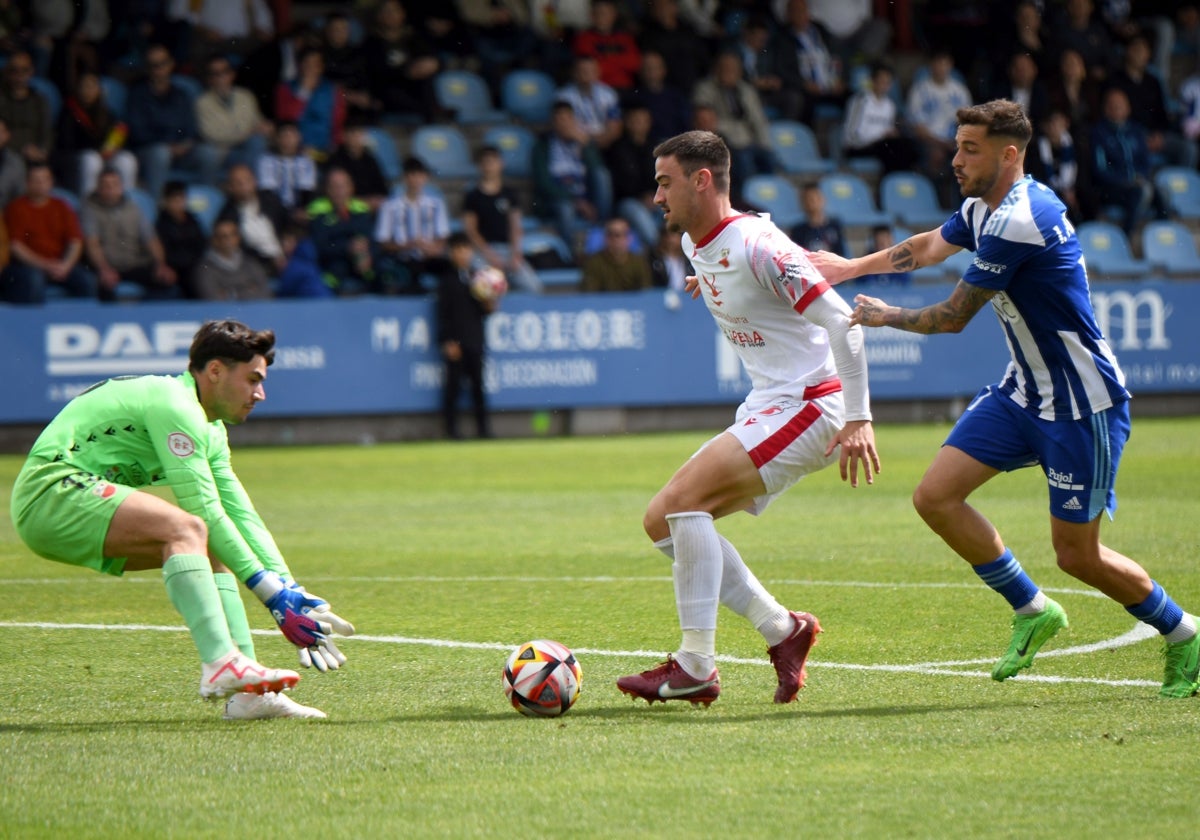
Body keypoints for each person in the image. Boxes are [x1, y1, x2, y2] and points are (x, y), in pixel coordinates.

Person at [808, 99, 1200, 699]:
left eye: (970, 149)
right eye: (957, 145)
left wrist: (886, 316)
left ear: (1009, 154)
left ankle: (1183, 634)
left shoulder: (1023, 217)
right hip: (1023, 393)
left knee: (1077, 556)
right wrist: (848, 268)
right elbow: (929, 245)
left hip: (1081, 405)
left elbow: (951, 317)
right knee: (935, 496)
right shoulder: (981, 206)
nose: (955, 159)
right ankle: (1032, 609)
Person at [615, 130, 878, 706]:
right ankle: (784, 630)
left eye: (664, 182)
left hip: (814, 402)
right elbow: (727, 272)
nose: (656, 197)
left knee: (684, 504)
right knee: (664, 521)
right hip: (772, 402)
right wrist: (711, 284)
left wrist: (859, 418)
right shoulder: (698, 243)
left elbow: (841, 322)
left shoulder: (761, 246)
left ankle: (696, 666)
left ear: (701, 180)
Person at [8, 319, 354, 720]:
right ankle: (220, 664)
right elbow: (203, 510)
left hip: (72, 499)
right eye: (253, 379)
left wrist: (289, 588)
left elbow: (239, 514)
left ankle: (251, 696)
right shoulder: (174, 404)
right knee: (189, 528)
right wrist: (273, 598)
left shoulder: (211, 428)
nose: (260, 393)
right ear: (215, 371)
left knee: (210, 545)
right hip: (49, 494)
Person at [126, 44, 221, 199]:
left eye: (162, 63)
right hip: (150, 152)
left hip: (181, 151)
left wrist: (186, 144)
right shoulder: (137, 95)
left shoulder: (181, 94)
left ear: (171, 64)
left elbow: (191, 126)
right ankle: (156, 209)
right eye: (153, 65)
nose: (158, 69)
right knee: (160, 153)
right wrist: (167, 145)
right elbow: (138, 132)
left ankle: (206, 204)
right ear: (147, 68)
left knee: (208, 153)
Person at [2, 162, 97, 304]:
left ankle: (82, 321)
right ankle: (34, 323)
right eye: (36, 180)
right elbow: (16, 246)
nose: (41, 184)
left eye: (45, 179)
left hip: (60, 265)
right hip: (28, 266)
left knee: (87, 281)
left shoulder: (61, 206)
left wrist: (66, 265)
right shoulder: (16, 208)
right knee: (33, 280)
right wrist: (45, 265)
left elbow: (75, 241)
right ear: (27, 183)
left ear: (51, 182)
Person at [81, 166, 177, 301]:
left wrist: (160, 265)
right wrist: (104, 269)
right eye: (105, 185)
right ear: (98, 187)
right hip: (107, 266)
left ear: (121, 187)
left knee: (166, 282)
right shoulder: (89, 209)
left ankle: (146, 318)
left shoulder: (133, 208)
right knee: (102, 286)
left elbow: (151, 239)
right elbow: (92, 244)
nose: (110, 190)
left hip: (134, 264)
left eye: (114, 185)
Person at [436, 232, 496, 440]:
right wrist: (447, 341)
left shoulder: (479, 278)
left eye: (466, 250)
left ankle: (484, 430)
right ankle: (451, 430)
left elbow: (486, 310)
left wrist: (491, 301)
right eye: (458, 250)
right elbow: (442, 313)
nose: (463, 254)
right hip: (456, 340)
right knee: (452, 388)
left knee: (478, 387)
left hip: (475, 339)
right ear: (451, 253)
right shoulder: (446, 280)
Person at [461, 145, 541, 294]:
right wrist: (489, 254)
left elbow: (515, 226)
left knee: (533, 287)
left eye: (493, 161)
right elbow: (470, 230)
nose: (489, 166)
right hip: (483, 252)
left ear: (501, 164)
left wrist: (516, 254)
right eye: (485, 162)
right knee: (484, 288)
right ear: (480, 166)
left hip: (508, 250)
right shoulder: (472, 196)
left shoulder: (510, 193)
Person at [55, 71, 138, 198]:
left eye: (92, 86)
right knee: (91, 159)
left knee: (126, 160)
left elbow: (117, 138)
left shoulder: (106, 112)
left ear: (99, 90)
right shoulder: (69, 112)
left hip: (103, 157)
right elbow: (66, 144)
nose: (88, 90)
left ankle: (125, 203)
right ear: (77, 89)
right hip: (78, 160)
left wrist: (113, 146)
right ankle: (89, 203)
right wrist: (97, 150)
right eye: (84, 86)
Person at [375, 155, 449, 295]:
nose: (415, 180)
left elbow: (442, 237)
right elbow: (383, 242)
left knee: (451, 269)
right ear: (404, 178)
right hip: (401, 258)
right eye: (411, 175)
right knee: (408, 273)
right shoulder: (390, 207)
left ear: (425, 178)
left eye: (419, 175)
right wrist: (409, 245)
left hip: (429, 258)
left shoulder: (436, 204)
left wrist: (433, 249)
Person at [195, 54, 272, 177]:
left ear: (232, 74)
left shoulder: (246, 96)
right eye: (215, 73)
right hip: (223, 154)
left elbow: (258, 121)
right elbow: (211, 134)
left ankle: (251, 186)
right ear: (209, 78)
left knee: (258, 142)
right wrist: (248, 132)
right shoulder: (202, 102)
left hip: (246, 149)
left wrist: (266, 127)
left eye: (225, 72)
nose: (221, 77)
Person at [840, 62, 919, 176]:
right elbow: (852, 134)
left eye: (887, 82)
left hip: (880, 145)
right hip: (858, 146)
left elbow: (887, 130)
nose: (884, 85)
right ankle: (890, 182)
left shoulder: (890, 105)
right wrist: (877, 138)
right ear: (873, 81)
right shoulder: (860, 101)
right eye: (881, 81)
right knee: (893, 149)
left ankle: (900, 181)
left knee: (907, 145)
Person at [307, 166, 377, 294]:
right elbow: (320, 245)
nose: (339, 191)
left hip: (360, 263)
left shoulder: (361, 209)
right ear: (327, 189)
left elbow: (371, 239)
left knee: (381, 269)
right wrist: (348, 247)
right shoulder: (317, 210)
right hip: (333, 264)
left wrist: (367, 254)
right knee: (337, 269)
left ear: (351, 187)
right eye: (334, 186)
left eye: (343, 186)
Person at [216, 163, 289, 276]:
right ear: (230, 188)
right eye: (238, 183)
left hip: (287, 255)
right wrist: (271, 260)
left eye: (247, 180)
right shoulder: (228, 216)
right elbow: (238, 250)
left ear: (255, 181)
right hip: (258, 265)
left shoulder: (269, 199)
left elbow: (288, 222)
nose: (244, 185)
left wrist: (289, 240)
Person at [192, 218, 272, 300]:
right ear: (214, 240)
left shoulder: (250, 263)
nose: (229, 240)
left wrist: (229, 293)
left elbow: (265, 292)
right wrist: (249, 290)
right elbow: (212, 297)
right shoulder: (205, 268)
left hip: (255, 311)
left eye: (233, 234)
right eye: (224, 236)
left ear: (238, 238)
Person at [155, 179, 208, 299]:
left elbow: (201, 243)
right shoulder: (161, 224)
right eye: (174, 200)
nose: (178, 204)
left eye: (181, 199)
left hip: (194, 265)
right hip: (175, 267)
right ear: (166, 201)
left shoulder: (192, 220)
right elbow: (164, 251)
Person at [256, 121, 319, 218]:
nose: (289, 140)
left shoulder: (306, 161)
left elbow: (307, 189)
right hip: (274, 208)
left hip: (299, 208)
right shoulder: (266, 160)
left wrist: (301, 210)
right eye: (285, 135)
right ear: (277, 138)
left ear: (299, 138)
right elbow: (267, 191)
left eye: (292, 135)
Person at [580, 217, 652, 292]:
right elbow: (590, 295)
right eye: (610, 235)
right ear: (605, 238)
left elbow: (645, 293)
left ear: (629, 238)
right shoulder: (593, 263)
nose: (614, 239)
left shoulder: (639, 262)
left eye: (618, 235)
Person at [790, 181, 845, 256]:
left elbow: (840, 253)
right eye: (807, 199)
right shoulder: (798, 231)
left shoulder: (834, 226)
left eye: (814, 199)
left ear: (823, 199)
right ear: (802, 203)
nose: (811, 203)